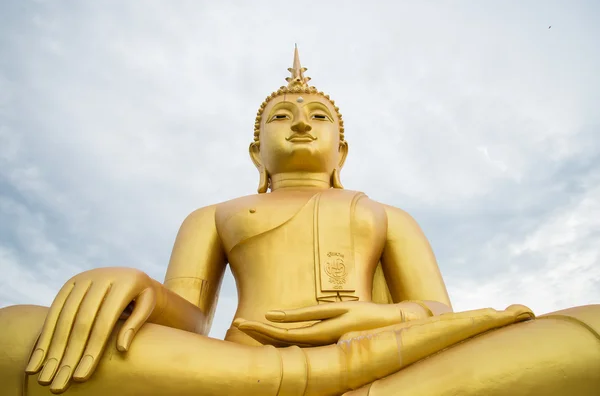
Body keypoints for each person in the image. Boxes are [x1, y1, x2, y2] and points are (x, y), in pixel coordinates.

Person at [0, 47, 598, 396]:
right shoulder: (214, 215)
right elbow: (188, 322)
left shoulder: (388, 216)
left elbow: (437, 315)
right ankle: (333, 379)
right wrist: (136, 290)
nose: (302, 123)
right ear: (255, 153)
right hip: (246, 371)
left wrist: (374, 317)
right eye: (281, 116)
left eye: (319, 116)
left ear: (343, 152)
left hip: (392, 363)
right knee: (13, 336)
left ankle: (348, 377)